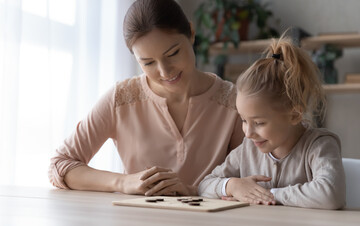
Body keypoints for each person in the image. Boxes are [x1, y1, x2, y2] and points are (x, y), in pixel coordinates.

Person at [48, 0, 244, 196]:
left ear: (191, 33)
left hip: (211, 224)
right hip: (135, 223)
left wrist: (192, 191)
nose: (165, 71)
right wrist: (122, 182)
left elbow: (252, 179)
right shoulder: (121, 99)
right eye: (148, 62)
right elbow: (60, 165)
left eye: (173, 53)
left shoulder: (232, 102)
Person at [198, 34, 346, 209]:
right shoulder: (247, 149)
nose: (248, 132)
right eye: (244, 120)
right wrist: (232, 186)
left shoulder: (319, 145)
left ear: (294, 115)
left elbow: (331, 195)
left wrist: (269, 195)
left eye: (259, 123)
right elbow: (204, 186)